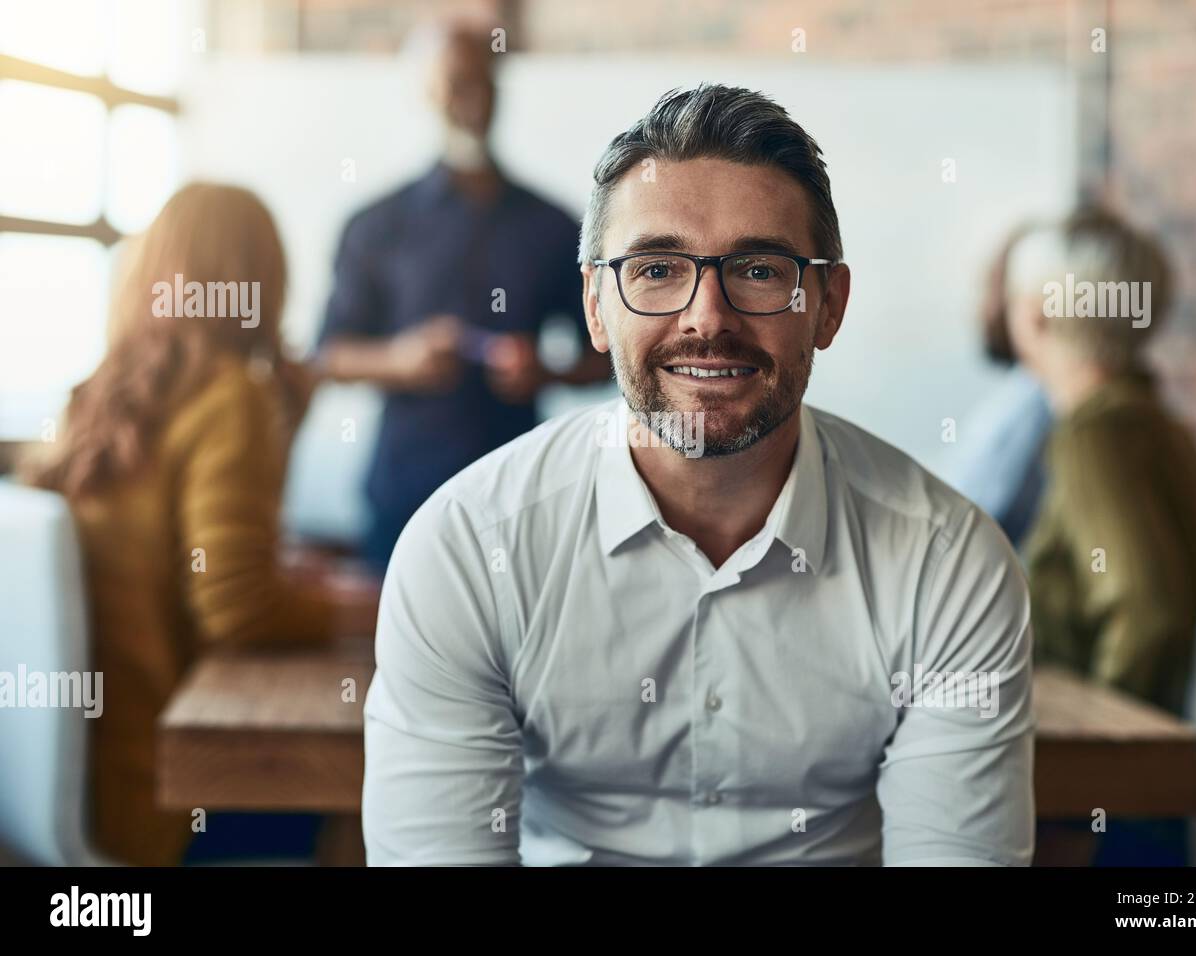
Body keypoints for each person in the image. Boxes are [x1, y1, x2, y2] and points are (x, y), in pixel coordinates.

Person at [361, 84, 1035, 866]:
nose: (707, 317)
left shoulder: (947, 562)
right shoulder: (468, 547)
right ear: (594, 305)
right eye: (655, 268)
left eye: (756, 268)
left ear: (828, 305)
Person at [22, 183, 379, 866]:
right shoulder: (229, 394)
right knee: (385, 771)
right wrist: (384, 601)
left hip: (95, 792)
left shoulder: (98, 398)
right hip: (170, 808)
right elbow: (237, 608)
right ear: (256, 280)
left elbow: (211, 563)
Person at [315, 20, 609, 571]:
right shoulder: (375, 225)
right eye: (455, 82)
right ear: (426, 93)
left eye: (484, 81)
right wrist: (401, 362)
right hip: (403, 498)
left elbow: (609, 360)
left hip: (523, 500)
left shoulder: (553, 225)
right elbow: (328, 354)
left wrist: (543, 372)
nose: (472, 97)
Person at [1005, 207, 1196, 716]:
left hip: (1122, 767)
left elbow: (1148, 614)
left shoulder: (1093, 434)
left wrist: (1103, 741)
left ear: (1035, 317)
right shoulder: (1161, 424)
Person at [941, 223, 1053, 547]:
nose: (982, 308)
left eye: (989, 288)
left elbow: (967, 527)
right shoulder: (1024, 395)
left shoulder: (1033, 404)